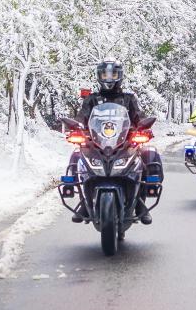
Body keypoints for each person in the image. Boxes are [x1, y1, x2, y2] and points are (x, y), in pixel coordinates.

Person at [67, 58, 162, 225]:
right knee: (77, 156)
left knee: (147, 157)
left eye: (113, 74)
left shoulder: (128, 98)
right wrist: (77, 127)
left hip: (125, 143)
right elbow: (82, 117)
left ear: (120, 76)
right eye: (105, 74)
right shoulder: (92, 99)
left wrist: (143, 127)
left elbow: (138, 116)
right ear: (99, 76)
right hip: (96, 143)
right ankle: (83, 202)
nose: (109, 78)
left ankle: (141, 204)